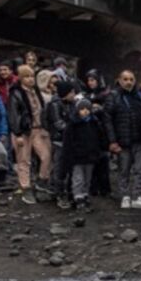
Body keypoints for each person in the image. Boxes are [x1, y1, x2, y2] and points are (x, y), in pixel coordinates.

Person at [6, 65, 52, 204]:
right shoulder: (15, 93)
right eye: (26, 76)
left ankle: (41, 181)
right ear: (20, 78)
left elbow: (41, 109)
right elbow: (13, 114)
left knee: (46, 156)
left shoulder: (36, 91)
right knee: (24, 160)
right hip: (24, 130)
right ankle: (25, 187)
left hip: (38, 128)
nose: (30, 79)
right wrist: (17, 133)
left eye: (32, 76)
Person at [108, 69, 141, 209]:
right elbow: (107, 121)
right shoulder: (113, 97)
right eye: (125, 79)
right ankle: (125, 196)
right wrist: (112, 141)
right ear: (119, 81)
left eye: (131, 79)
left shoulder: (140, 95)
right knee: (124, 170)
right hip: (123, 141)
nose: (129, 82)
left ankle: (138, 196)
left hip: (140, 138)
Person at [61, 98, 108, 212]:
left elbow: (100, 138)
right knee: (78, 178)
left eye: (87, 109)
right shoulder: (72, 125)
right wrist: (68, 156)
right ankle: (78, 198)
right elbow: (67, 142)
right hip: (77, 157)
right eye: (82, 109)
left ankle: (85, 195)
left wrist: (100, 150)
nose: (85, 111)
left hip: (91, 156)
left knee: (88, 178)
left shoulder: (94, 123)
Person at [45, 79, 77, 208]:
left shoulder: (71, 104)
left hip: (69, 140)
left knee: (68, 168)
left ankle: (65, 192)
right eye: (72, 92)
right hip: (59, 141)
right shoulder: (55, 105)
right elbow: (58, 123)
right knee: (60, 169)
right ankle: (59, 194)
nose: (74, 94)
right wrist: (73, 129)